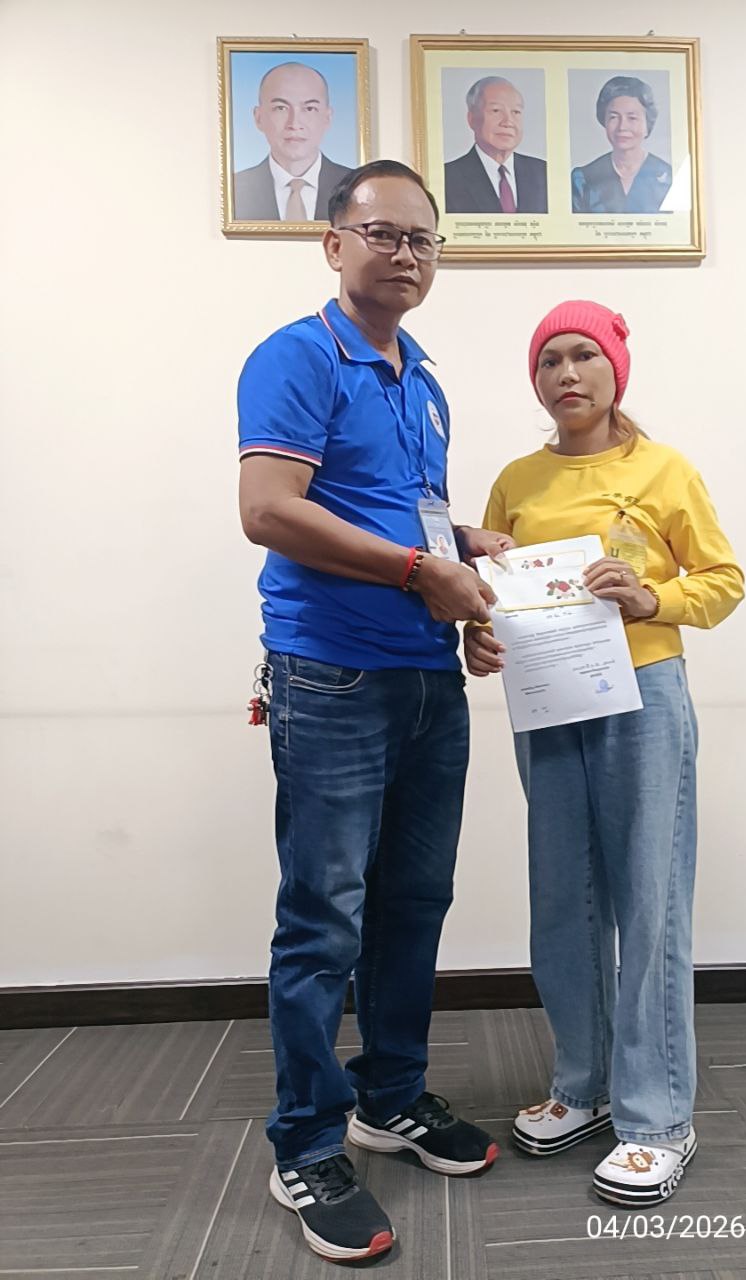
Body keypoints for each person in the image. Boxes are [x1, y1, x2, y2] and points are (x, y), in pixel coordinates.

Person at [237, 159, 512, 1263]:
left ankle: (388, 1096)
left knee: (415, 901)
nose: (405, 254)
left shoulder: (423, 377)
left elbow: (412, 512)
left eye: (423, 239)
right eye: (383, 233)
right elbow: (269, 509)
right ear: (333, 244)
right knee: (324, 919)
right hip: (331, 675)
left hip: (427, 675)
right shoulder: (298, 355)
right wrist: (415, 570)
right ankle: (305, 1143)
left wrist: (464, 554)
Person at [465, 301, 744, 1208]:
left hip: (643, 696)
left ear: (616, 369)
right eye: (550, 359)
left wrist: (652, 597)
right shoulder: (516, 479)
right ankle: (582, 1086)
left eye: (585, 355)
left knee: (647, 900)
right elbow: (486, 592)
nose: (567, 373)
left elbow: (723, 580)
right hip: (548, 701)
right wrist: (477, 634)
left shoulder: (664, 469)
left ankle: (658, 1118)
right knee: (563, 898)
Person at [233, 62, 353, 221]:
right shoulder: (233, 188)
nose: (295, 124)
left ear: (327, 117)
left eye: (309, 109)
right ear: (258, 117)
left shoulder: (355, 185)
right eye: (281, 108)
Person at [444, 76, 548, 214]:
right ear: (472, 119)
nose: (508, 122)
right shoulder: (448, 177)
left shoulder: (543, 172)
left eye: (516, 112)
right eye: (496, 110)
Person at [571, 76, 672, 214]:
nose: (622, 127)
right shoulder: (583, 179)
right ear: (604, 121)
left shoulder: (669, 176)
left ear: (647, 123)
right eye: (613, 117)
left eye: (632, 118)